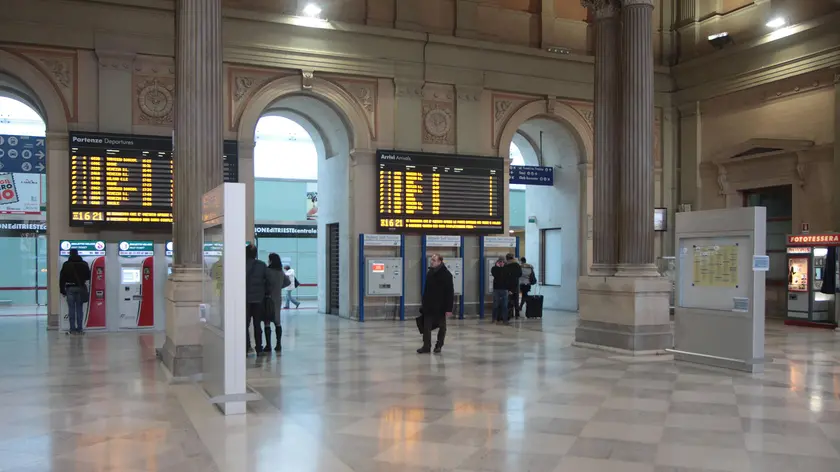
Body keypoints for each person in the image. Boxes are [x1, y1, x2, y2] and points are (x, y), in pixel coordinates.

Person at [418, 253, 454, 354]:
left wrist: (449, 309)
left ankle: (439, 345)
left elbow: (449, 293)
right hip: (429, 305)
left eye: (434, 260)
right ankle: (426, 346)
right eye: (431, 260)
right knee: (426, 327)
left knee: (442, 327)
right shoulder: (430, 273)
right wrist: (423, 303)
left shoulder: (446, 275)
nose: (431, 262)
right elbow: (427, 290)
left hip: (440, 306)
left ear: (440, 262)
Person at [245, 244, 273, 356]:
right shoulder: (262, 265)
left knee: (245, 325)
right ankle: (259, 348)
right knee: (257, 325)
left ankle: (246, 347)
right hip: (258, 300)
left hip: (245, 300)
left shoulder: (241, 264)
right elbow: (268, 281)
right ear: (255, 254)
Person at [59, 248, 91, 335]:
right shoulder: (84, 264)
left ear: (70, 254)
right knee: (79, 309)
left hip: (70, 288)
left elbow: (62, 279)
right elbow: (88, 276)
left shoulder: (66, 264)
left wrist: (62, 290)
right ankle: (80, 329)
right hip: (80, 288)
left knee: (71, 309)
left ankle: (72, 329)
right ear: (77, 254)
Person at [265, 253, 288, 353]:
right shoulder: (281, 272)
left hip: (267, 299)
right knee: (277, 322)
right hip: (277, 299)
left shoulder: (267, 271)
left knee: (267, 322)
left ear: (271, 261)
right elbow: (287, 282)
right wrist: (279, 287)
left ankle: (268, 345)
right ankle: (278, 344)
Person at [490, 257, 509, 325]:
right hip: (496, 289)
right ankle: (494, 319)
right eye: (500, 262)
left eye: (502, 262)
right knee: (495, 305)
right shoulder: (494, 269)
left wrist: (501, 268)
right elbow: (496, 275)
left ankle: (505, 319)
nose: (501, 263)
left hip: (504, 289)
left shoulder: (506, 269)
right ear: (497, 262)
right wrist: (498, 268)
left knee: (505, 305)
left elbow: (504, 275)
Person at [505, 253, 523, 318]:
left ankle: (510, 314)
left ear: (507, 258)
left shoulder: (506, 265)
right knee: (516, 300)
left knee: (510, 299)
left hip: (508, 285)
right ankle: (517, 314)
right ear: (513, 258)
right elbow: (520, 274)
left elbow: (505, 275)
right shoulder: (517, 265)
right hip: (516, 284)